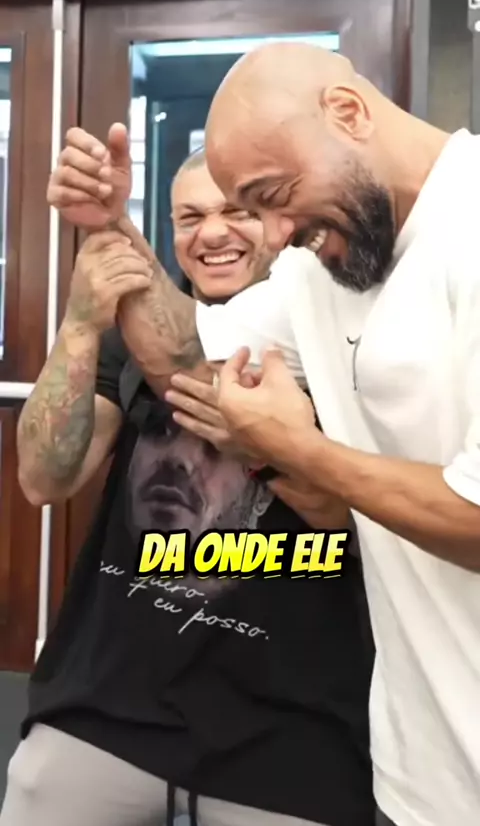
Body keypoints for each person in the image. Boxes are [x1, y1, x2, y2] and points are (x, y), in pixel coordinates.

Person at [41, 42, 480, 826]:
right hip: (420, 772)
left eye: (270, 197)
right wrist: (113, 231)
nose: (272, 236)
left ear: (347, 113)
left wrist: (295, 449)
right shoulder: (321, 268)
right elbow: (188, 351)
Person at [0, 148, 375, 826]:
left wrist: (266, 449)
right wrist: (82, 323)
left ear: (279, 223)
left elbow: (349, 518)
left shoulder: (340, 337)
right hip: (107, 712)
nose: (212, 233)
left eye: (237, 211)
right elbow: (43, 479)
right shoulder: (131, 340)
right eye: (190, 217)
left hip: (295, 736)